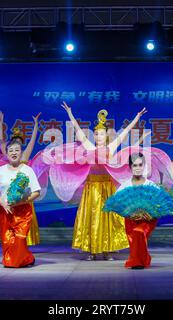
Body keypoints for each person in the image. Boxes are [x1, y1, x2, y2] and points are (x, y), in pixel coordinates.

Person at [61, 103, 147, 261]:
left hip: (107, 188)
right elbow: (78, 131)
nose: (99, 137)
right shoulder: (89, 147)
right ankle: (92, 250)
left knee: (108, 218)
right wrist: (70, 114)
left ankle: (107, 250)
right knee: (92, 219)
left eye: (101, 134)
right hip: (92, 188)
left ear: (106, 135)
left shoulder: (111, 147)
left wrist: (137, 117)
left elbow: (125, 132)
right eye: (97, 134)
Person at [0, 140, 41, 268]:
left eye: (17, 150)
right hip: (5, 211)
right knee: (7, 241)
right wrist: (3, 203)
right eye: (11, 150)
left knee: (20, 238)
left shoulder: (28, 171)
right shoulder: (0, 171)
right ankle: (27, 258)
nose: (14, 153)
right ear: (6, 154)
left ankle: (20, 259)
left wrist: (22, 201)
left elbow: (36, 192)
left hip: (23, 211)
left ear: (21, 152)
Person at [0, 111, 42, 246]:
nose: (15, 149)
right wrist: (1, 121)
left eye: (18, 145)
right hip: (9, 194)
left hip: (22, 194)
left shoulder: (24, 155)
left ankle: (24, 241)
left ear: (21, 147)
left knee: (24, 217)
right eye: (13, 145)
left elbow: (33, 140)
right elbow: (0, 139)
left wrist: (35, 125)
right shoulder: (8, 153)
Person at [117, 153, 158, 269]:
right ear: (130, 167)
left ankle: (136, 262)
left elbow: (158, 205)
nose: (138, 168)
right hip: (130, 219)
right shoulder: (125, 186)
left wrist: (149, 214)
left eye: (140, 165)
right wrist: (129, 213)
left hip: (147, 219)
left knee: (139, 232)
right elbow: (118, 204)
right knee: (135, 238)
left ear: (144, 165)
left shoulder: (151, 185)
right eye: (135, 165)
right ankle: (144, 259)